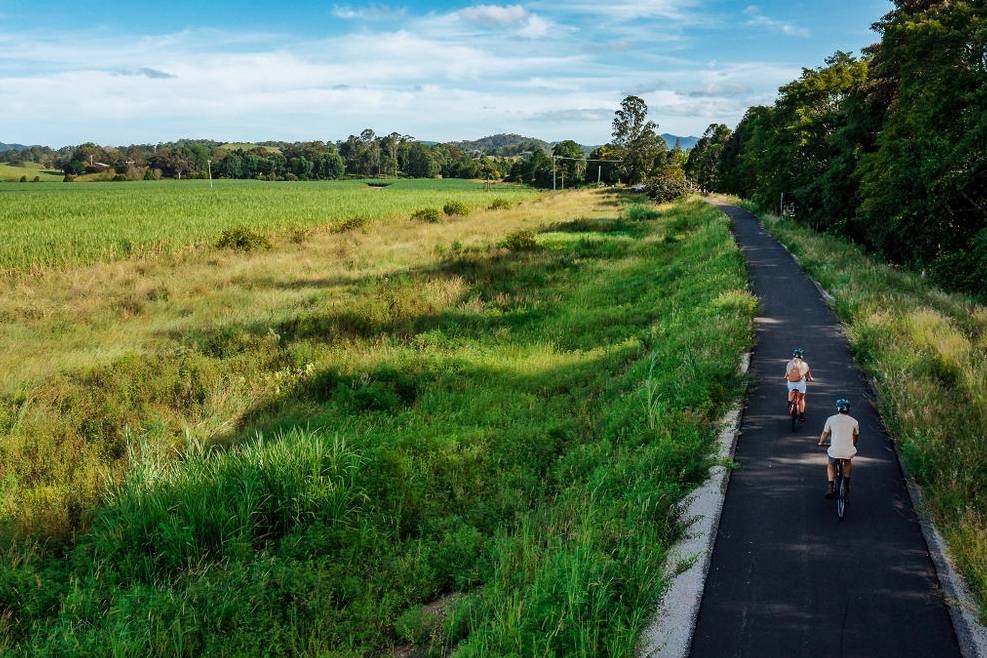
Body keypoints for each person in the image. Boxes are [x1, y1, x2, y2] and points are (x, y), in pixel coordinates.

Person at [818, 398, 860, 499]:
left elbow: (825, 433)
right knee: (848, 462)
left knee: (831, 465)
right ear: (848, 409)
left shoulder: (831, 419)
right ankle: (846, 483)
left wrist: (821, 442)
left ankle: (830, 486)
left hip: (835, 450)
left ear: (838, 408)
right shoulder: (854, 422)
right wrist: (853, 444)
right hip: (848, 450)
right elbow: (856, 435)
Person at [783, 348, 813, 420]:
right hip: (800, 384)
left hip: (791, 383)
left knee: (791, 391)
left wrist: (788, 378)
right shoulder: (805, 364)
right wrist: (810, 378)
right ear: (801, 356)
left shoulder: (789, 364)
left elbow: (785, 376)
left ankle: (789, 402)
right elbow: (808, 376)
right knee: (801, 398)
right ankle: (802, 415)